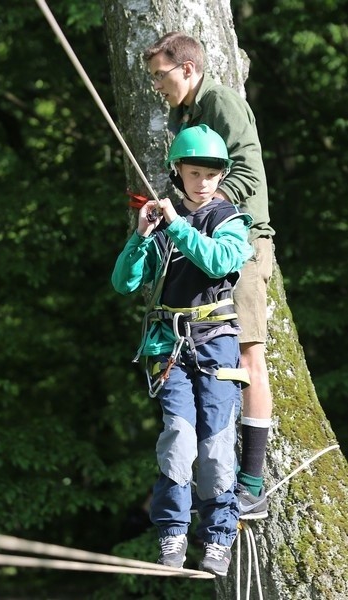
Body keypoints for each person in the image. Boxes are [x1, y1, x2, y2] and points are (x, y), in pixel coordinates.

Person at [112, 124, 253, 576]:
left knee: (214, 449)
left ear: (222, 175)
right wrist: (141, 236)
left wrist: (177, 223)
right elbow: (125, 282)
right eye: (194, 173)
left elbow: (218, 261)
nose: (203, 181)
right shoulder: (164, 225)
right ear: (178, 172)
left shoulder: (229, 220)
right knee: (178, 439)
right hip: (170, 346)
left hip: (217, 346)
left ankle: (217, 538)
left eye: (212, 173)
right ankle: (172, 531)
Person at [144, 32, 274, 520]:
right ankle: (210, 479)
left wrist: (199, 214)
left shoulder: (220, 102)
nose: (157, 85)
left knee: (245, 353)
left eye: (161, 74)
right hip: (202, 242)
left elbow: (247, 176)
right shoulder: (184, 113)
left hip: (238, 242)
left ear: (189, 69)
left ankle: (254, 484)